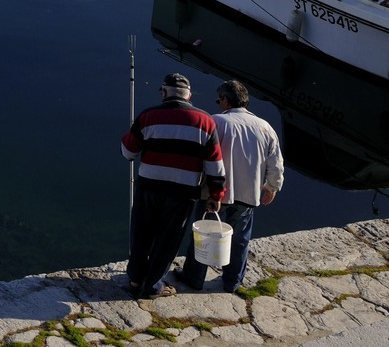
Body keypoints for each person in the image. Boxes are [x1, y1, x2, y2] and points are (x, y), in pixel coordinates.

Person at [121, 73, 226, 299]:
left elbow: (129, 152)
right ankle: (153, 285)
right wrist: (216, 194)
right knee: (168, 238)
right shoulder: (206, 121)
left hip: (148, 187)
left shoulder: (148, 116)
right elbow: (215, 165)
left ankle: (135, 278)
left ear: (164, 92)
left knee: (141, 233)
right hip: (183, 192)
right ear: (189, 95)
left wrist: (127, 138)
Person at [176, 79, 284, 293]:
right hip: (248, 192)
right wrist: (271, 187)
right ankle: (232, 281)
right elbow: (276, 163)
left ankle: (194, 277)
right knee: (240, 239)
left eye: (219, 100)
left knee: (203, 235)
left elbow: (200, 156)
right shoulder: (265, 127)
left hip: (215, 193)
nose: (218, 104)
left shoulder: (215, 122)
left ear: (225, 100)